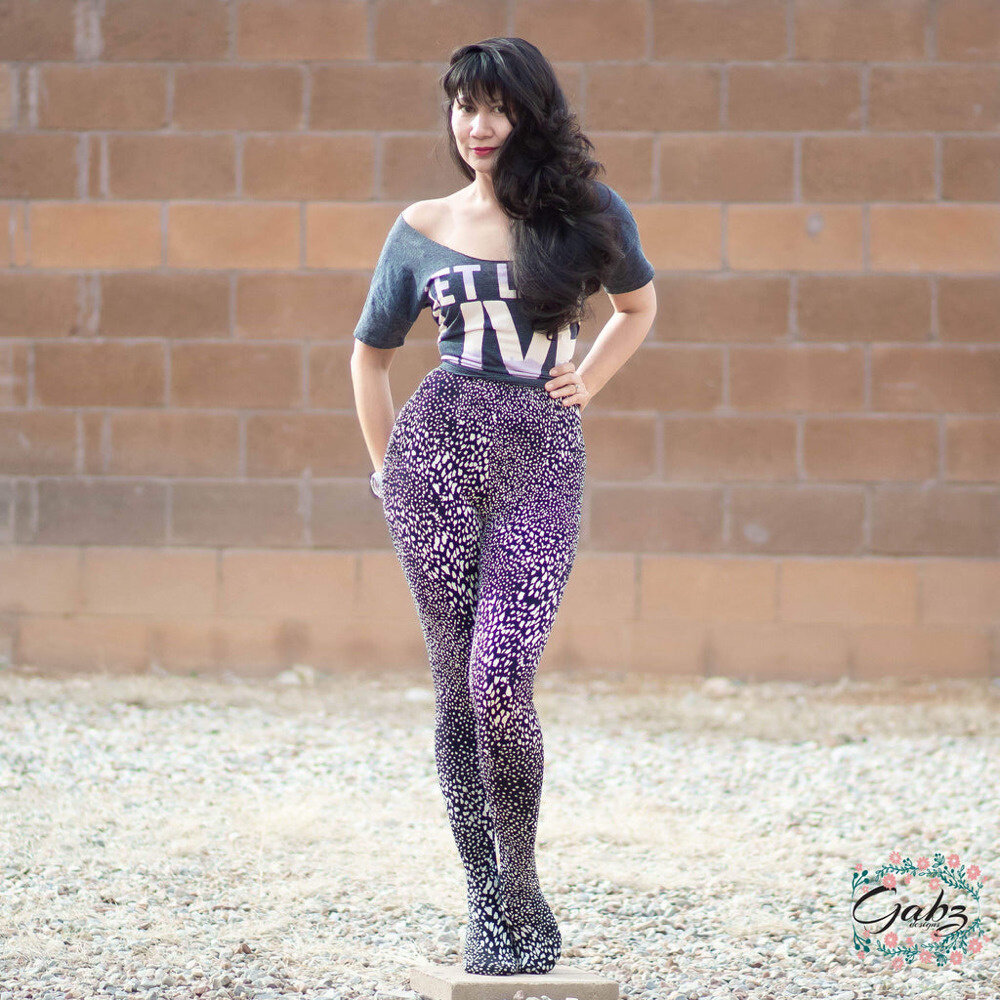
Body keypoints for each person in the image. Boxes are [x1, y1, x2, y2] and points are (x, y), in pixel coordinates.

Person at [350, 37, 657, 977]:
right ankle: (484, 900)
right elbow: (369, 356)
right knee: (455, 686)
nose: (476, 126)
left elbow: (639, 308)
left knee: (499, 676)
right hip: (433, 459)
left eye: (496, 107)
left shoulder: (585, 212)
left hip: (541, 461)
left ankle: (521, 884)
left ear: (530, 115)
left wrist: (586, 381)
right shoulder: (421, 225)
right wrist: (388, 474)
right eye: (463, 106)